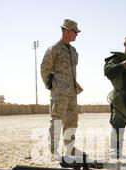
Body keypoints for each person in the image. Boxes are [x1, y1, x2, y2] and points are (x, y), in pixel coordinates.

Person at [40, 19, 83, 159]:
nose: (76, 34)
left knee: (72, 121)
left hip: (72, 92)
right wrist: (51, 85)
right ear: (66, 31)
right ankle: (53, 150)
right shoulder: (54, 49)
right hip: (59, 93)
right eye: (74, 31)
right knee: (57, 121)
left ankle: (70, 149)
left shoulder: (74, 51)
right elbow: (44, 68)